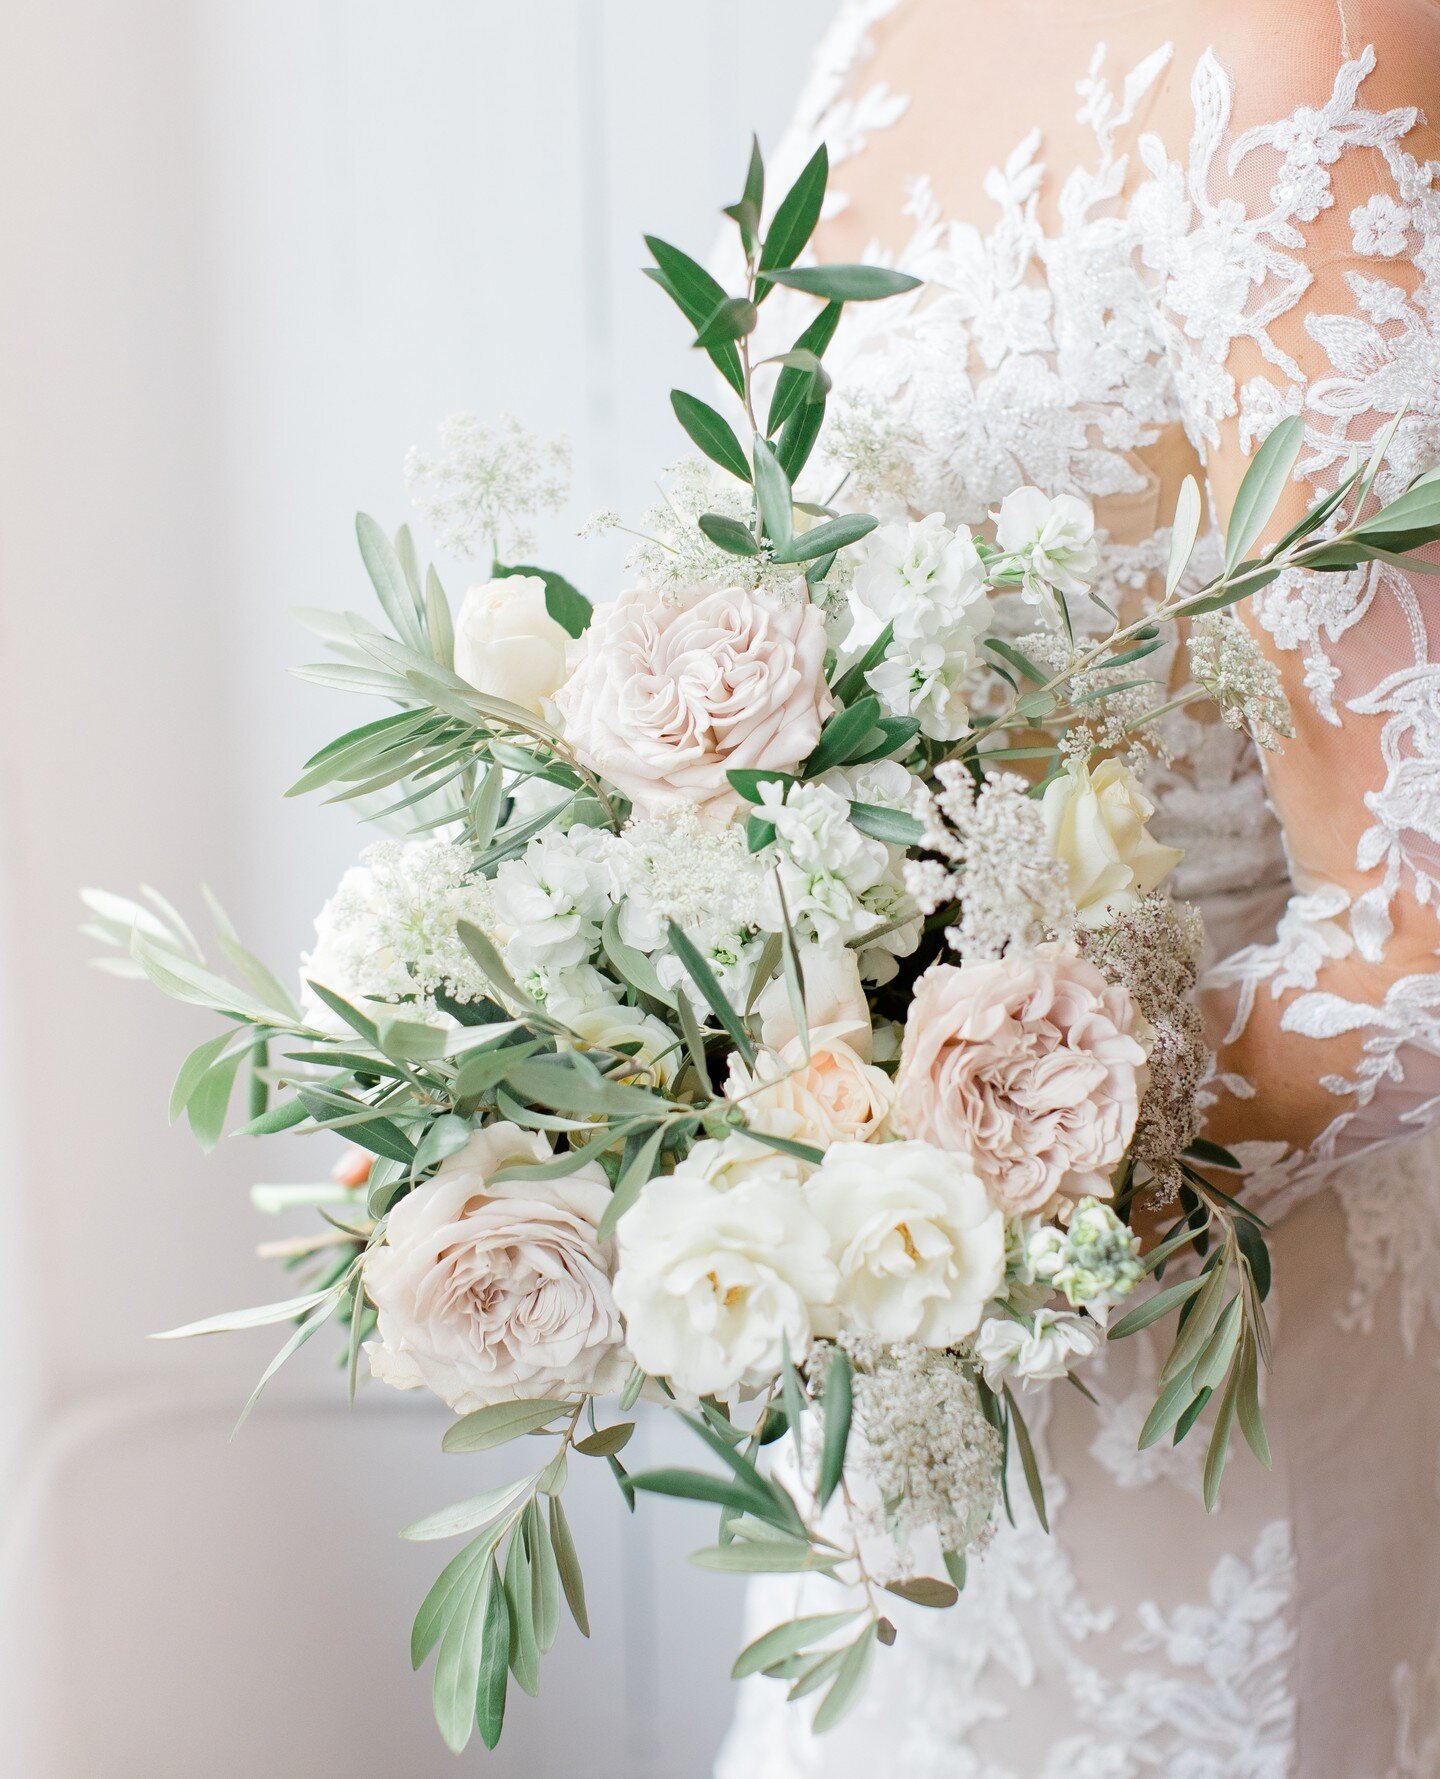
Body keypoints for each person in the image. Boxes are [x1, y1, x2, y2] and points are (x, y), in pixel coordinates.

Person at [714, 2, 1440, 1772]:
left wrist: (994, 1205)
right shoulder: (875, 34)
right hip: (889, 1391)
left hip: (1195, 1366)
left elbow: (1422, 924)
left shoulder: (1312, 43)